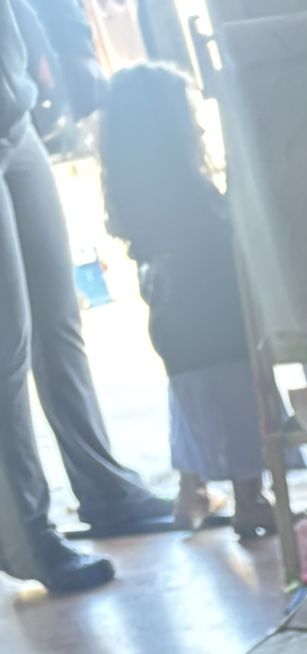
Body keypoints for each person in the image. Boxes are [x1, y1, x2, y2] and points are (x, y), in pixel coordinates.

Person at [0, 0, 176, 593]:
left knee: (60, 322)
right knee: (6, 344)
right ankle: (29, 539)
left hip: (15, 116)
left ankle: (105, 489)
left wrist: (58, 48)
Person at [99, 64, 274, 541]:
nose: (199, 127)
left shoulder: (137, 201)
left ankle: (190, 492)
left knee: (193, 405)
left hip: (174, 331)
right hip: (221, 327)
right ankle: (250, 501)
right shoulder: (197, 198)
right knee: (240, 409)